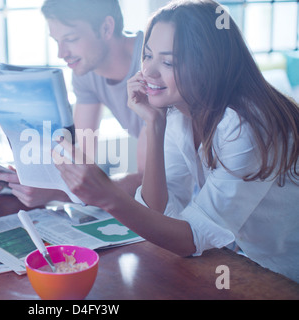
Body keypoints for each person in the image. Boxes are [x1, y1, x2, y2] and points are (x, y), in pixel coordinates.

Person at [53, 0, 299, 283]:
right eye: (147, 56)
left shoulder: (243, 125)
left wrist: (109, 197)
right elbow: (158, 209)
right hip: (253, 263)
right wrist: (154, 125)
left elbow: (189, 240)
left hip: (288, 272)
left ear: (207, 63)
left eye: (168, 62)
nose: (149, 72)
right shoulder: (180, 112)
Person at [0, 0, 147, 207]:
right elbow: (80, 157)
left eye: (71, 39)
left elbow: (147, 180)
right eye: (57, 41)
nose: (61, 53)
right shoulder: (86, 73)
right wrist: (16, 179)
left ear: (106, 27)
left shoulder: (154, 63)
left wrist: (59, 194)